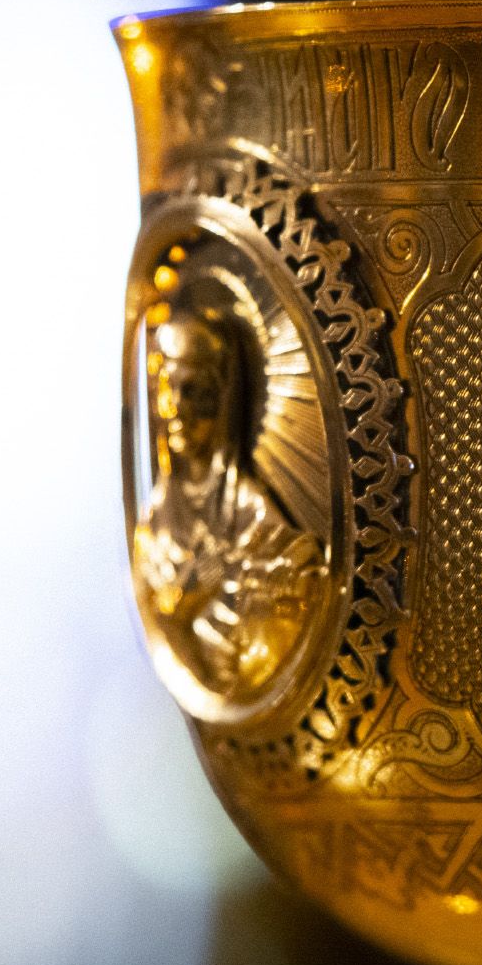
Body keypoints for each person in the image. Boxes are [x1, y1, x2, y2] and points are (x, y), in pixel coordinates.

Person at [132, 294, 320, 698]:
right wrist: (184, 604)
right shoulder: (157, 518)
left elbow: (294, 578)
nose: (177, 409)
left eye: (194, 392)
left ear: (224, 402)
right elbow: (156, 609)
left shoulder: (252, 514)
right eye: (168, 390)